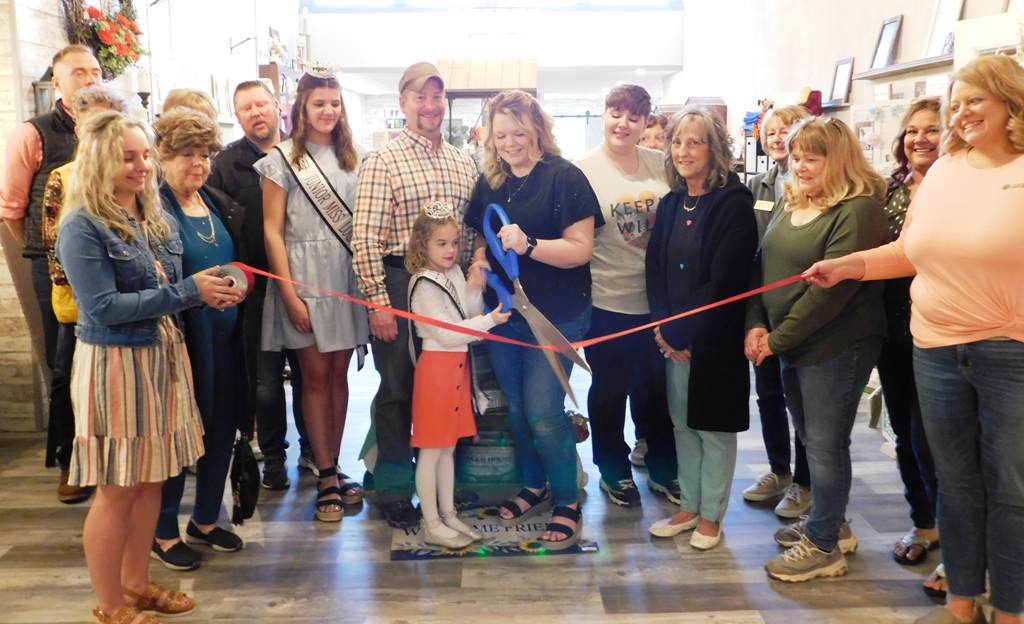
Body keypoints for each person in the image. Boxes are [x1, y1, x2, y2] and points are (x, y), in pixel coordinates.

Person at [804, 55, 1024, 624]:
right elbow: (908, 250)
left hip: (1011, 351)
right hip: (936, 347)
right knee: (955, 482)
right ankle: (961, 602)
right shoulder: (946, 170)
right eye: (957, 102)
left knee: (1011, 487)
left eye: (976, 99)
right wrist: (848, 266)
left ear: (1010, 101)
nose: (962, 112)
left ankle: (1010, 609)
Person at [56, 110, 240, 624]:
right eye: (128, 157)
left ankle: (136, 583)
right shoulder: (81, 225)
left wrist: (208, 293)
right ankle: (110, 604)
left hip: (160, 356)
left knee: (152, 481)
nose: (141, 166)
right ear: (99, 161)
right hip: (115, 363)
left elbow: (170, 286)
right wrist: (188, 292)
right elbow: (103, 308)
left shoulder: (150, 213)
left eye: (144, 156)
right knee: (117, 490)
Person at [745, 116, 888, 582]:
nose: (800, 167)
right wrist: (756, 324)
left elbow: (830, 294)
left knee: (825, 445)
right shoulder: (794, 200)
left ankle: (824, 545)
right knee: (812, 439)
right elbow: (762, 267)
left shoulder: (859, 210)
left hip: (836, 344)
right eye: (796, 157)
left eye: (813, 158)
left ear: (840, 159)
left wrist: (776, 340)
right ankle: (832, 522)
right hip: (792, 343)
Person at [464, 89, 601, 550]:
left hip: (557, 314)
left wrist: (530, 246)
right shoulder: (491, 180)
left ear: (538, 129)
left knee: (544, 412)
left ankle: (566, 500)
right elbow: (481, 235)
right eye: (500, 135)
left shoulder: (565, 177)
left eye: (518, 133)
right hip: (505, 313)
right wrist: (479, 262)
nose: (509, 143)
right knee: (518, 409)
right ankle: (534, 484)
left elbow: (581, 249)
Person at [352, 61, 477, 529]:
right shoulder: (382, 161)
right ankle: (393, 487)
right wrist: (378, 304)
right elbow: (366, 239)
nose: (430, 105)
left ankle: (444, 487)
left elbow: (467, 236)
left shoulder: (463, 162)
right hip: (399, 282)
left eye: (436, 96)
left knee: (448, 389)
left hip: (451, 284)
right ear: (403, 101)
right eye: (420, 97)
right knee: (397, 390)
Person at [255, 67, 368, 523]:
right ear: (301, 106)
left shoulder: (354, 156)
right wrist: (289, 294)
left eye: (335, 103)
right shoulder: (282, 159)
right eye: (319, 103)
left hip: (345, 277)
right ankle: (324, 474)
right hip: (303, 277)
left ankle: (334, 465)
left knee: (339, 377)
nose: (328, 111)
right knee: (315, 377)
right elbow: (272, 230)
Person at [645, 107, 758, 550]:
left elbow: (724, 281)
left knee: (713, 429)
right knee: (682, 426)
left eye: (694, 142)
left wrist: (681, 333)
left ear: (715, 149)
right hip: (673, 340)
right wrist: (664, 329)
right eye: (676, 142)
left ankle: (711, 514)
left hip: (713, 341)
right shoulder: (672, 202)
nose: (683, 151)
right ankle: (689, 506)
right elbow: (655, 269)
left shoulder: (734, 202)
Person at [0, 44, 101, 503]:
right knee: (66, 360)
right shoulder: (32, 133)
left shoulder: (117, 128)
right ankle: (70, 460)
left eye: (95, 71)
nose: (90, 79)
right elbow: (12, 209)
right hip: (55, 266)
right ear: (57, 82)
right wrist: (46, 253)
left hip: (113, 260)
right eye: (78, 73)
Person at [148, 107, 248, 570]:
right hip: (183, 339)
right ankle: (163, 530)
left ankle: (206, 518)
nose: (198, 163)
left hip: (227, 337)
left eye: (205, 153)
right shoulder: (153, 210)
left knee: (223, 425)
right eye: (186, 154)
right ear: (163, 157)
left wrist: (240, 283)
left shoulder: (216, 201)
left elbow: (236, 261)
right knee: (181, 431)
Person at [574, 84, 676, 509]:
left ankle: (664, 468)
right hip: (607, 302)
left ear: (645, 122)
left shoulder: (661, 164)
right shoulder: (581, 171)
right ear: (604, 114)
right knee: (610, 392)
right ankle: (612, 469)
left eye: (634, 117)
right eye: (616, 114)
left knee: (659, 392)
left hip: (660, 303)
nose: (623, 124)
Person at [209, 79, 309, 491]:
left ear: (277, 106)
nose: (256, 113)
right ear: (237, 116)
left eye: (261, 104)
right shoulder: (224, 164)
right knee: (265, 381)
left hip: (305, 282)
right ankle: (274, 457)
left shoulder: (303, 154)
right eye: (246, 108)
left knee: (308, 375)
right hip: (255, 289)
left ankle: (314, 451)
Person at [38, 86, 128, 511]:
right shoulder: (63, 177)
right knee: (66, 380)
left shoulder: (131, 176)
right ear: (78, 127)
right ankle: (69, 461)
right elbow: (53, 244)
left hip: (126, 298)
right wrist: (91, 287)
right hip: (78, 301)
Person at [405, 201, 510, 549]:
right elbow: (449, 334)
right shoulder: (423, 284)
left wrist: (474, 287)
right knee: (430, 450)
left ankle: (448, 514)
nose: (451, 250)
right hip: (436, 371)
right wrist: (490, 321)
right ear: (422, 245)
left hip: (457, 369)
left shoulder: (450, 274)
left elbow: (467, 314)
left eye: (454, 243)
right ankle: (431, 522)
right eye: (441, 244)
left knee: (447, 449)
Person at [741, 104, 814, 518]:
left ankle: (805, 482)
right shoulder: (758, 185)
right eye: (771, 132)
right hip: (764, 306)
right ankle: (779, 471)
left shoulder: (815, 184)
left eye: (786, 130)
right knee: (768, 393)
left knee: (802, 401)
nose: (778, 138)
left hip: (805, 307)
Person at [879, 98, 941, 569]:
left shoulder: (957, 188)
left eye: (932, 130)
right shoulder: (889, 190)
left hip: (940, 332)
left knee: (935, 440)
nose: (920, 139)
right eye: (913, 131)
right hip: (892, 332)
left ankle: (957, 543)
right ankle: (924, 522)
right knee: (904, 432)